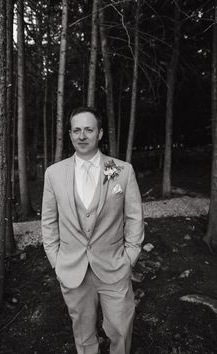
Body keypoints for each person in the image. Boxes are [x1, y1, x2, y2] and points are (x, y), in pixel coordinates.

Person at [41, 106, 144, 354]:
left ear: (99, 133)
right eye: (76, 130)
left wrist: (130, 257)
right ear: (70, 134)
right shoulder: (54, 174)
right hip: (73, 271)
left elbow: (134, 217)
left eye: (89, 129)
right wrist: (56, 261)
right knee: (84, 335)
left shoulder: (122, 170)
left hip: (114, 267)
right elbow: (48, 222)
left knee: (121, 328)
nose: (82, 135)